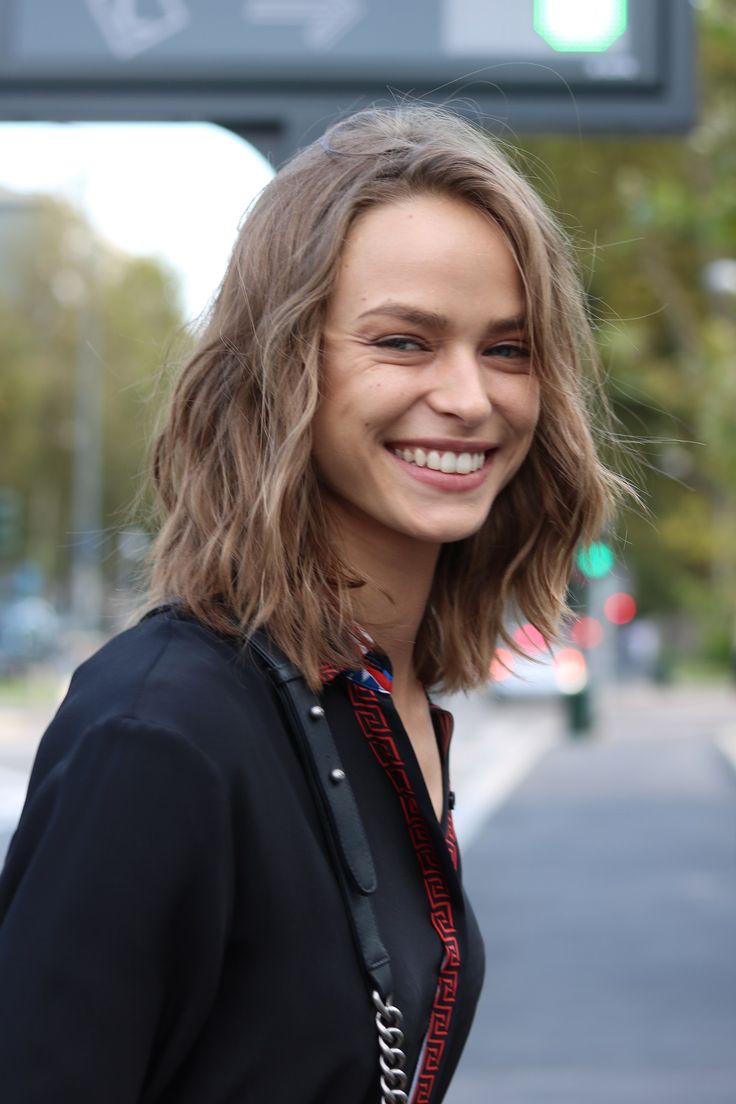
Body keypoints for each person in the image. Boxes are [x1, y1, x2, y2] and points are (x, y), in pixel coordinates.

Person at [0, 104, 623, 1103]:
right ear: (284, 367)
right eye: (405, 342)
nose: (469, 397)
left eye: (507, 350)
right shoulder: (158, 733)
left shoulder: (389, 699)